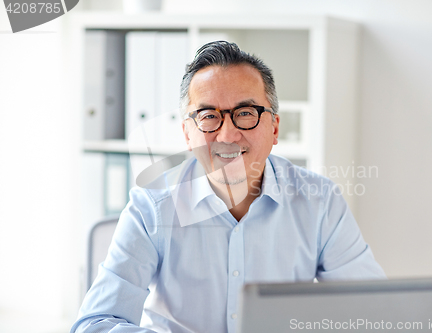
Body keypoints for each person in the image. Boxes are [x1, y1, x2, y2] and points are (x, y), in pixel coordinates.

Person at [71, 41, 385, 333]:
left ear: (274, 128)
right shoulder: (152, 206)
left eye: (245, 114)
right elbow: (95, 323)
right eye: (209, 116)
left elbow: (372, 313)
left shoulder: (319, 202)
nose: (227, 135)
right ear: (187, 134)